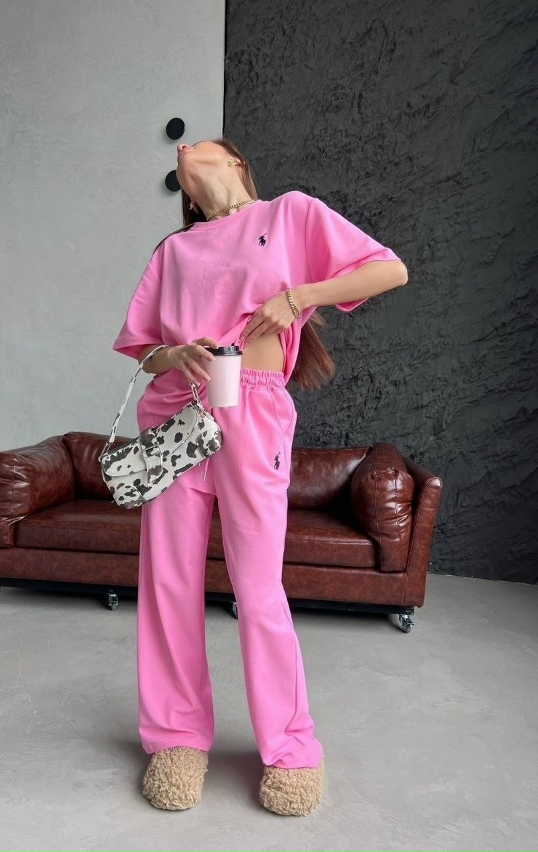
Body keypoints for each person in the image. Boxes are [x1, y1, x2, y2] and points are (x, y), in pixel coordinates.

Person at [112, 137, 408, 815]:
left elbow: (389, 270)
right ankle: (176, 739)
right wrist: (174, 352)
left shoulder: (289, 214)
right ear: (185, 194)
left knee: (258, 586)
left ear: (236, 163)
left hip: (255, 409)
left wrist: (299, 296)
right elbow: (144, 351)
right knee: (167, 582)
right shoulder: (173, 251)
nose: (188, 146)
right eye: (180, 151)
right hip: (175, 417)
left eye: (204, 143)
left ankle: (291, 747)